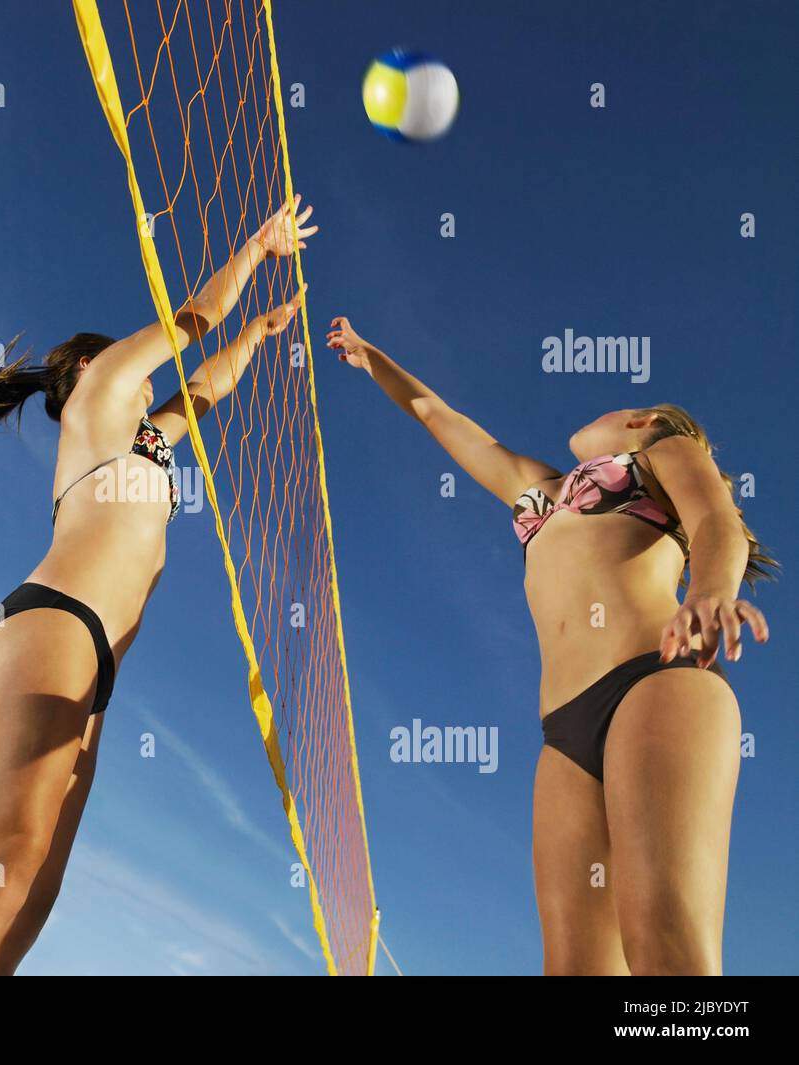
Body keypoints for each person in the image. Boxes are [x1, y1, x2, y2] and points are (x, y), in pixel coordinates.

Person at [0, 198, 318, 975]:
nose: (141, 367)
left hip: (94, 662)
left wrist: (260, 334)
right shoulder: (98, 394)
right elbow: (191, 319)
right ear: (93, 365)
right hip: (53, 621)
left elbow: (203, 388)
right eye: (128, 355)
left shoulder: (143, 440)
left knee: (36, 884)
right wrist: (258, 250)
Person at [327, 315, 777, 975]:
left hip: (651, 682)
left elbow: (715, 519)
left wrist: (708, 590)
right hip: (564, 736)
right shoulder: (534, 489)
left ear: (640, 419)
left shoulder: (665, 448)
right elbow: (436, 413)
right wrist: (371, 357)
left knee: (667, 953)